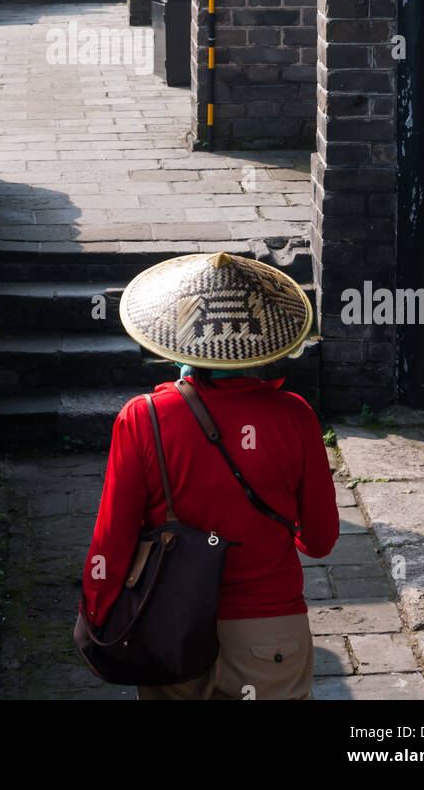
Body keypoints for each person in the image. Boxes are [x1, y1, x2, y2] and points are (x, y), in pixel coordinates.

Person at [80, 251, 339, 700]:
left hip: (169, 626)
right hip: (271, 632)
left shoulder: (142, 419)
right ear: (260, 345)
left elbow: (112, 541)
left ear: (178, 343)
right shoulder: (295, 417)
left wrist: (99, 617)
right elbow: (319, 540)